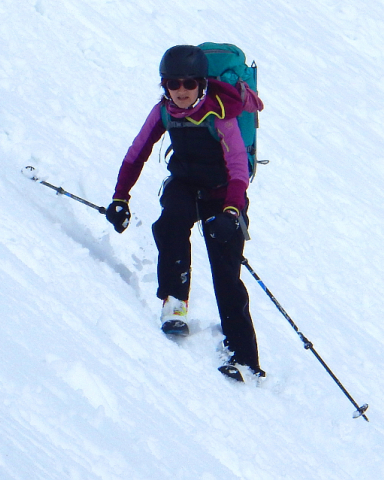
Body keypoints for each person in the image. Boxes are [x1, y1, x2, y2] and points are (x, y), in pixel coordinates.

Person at [105, 45, 265, 381]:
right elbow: (137, 153)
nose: (180, 91)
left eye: (188, 83)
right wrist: (120, 198)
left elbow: (237, 167)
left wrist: (232, 212)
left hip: (224, 194)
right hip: (186, 184)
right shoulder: (163, 111)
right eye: (172, 84)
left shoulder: (219, 112)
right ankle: (175, 301)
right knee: (170, 224)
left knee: (226, 272)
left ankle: (246, 360)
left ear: (202, 84)